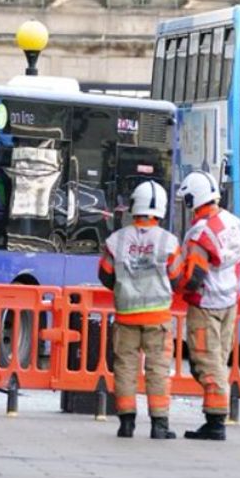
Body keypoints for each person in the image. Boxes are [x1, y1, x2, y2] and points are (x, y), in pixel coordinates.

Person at [98, 180, 184, 440]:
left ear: (134, 206)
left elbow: (105, 275)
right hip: (158, 318)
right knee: (157, 369)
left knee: (125, 367)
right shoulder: (169, 242)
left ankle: (126, 423)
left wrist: (125, 288)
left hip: (125, 316)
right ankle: (159, 425)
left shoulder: (117, 240)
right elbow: (178, 278)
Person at [175, 171, 240, 441]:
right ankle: (215, 415)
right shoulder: (233, 222)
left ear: (194, 198)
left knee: (205, 361)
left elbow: (193, 276)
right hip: (230, 301)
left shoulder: (201, 232)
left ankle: (216, 421)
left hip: (206, 304)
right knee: (218, 360)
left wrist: (175, 287)